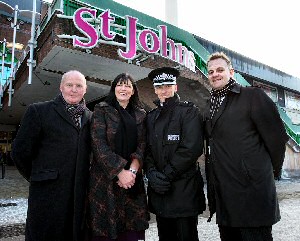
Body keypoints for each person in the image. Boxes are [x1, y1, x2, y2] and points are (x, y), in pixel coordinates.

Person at [204, 52, 289, 241]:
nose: (215, 74)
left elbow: (276, 139)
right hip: (225, 196)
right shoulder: (210, 104)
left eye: (220, 70)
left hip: (252, 194)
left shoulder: (252, 96)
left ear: (231, 72)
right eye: (210, 71)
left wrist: (265, 173)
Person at [11, 70, 92, 241]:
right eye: (69, 85)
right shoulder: (39, 111)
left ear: (85, 90)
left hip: (78, 196)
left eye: (79, 86)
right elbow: (20, 152)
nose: (74, 89)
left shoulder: (91, 117)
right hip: (47, 194)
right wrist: (39, 176)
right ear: (61, 87)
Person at [144, 67, 206, 241]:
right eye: (160, 87)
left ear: (175, 87)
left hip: (183, 190)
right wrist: (151, 173)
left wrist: (165, 175)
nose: (164, 90)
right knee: (165, 236)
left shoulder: (189, 112)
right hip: (160, 191)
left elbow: (191, 148)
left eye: (168, 85)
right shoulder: (151, 117)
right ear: (155, 90)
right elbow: (147, 149)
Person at [87, 73, 149, 241]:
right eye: (120, 85)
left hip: (132, 181)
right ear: (114, 88)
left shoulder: (141, 114)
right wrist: (120, 171)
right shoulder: (102, 109)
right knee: (106, 227)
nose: (124, 88)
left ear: (133, 91)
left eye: (128, 85)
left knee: (132, 228)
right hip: (105, 179)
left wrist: (132, 172)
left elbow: (142, 145)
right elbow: (98, 144)